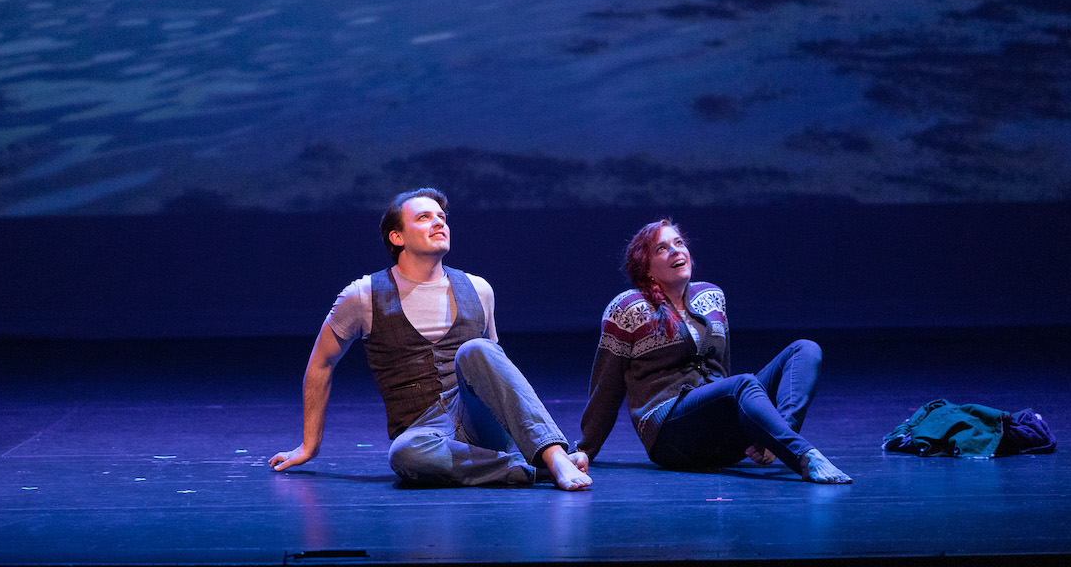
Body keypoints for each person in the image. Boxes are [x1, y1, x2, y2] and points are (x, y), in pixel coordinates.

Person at [269, 188, 592, 491]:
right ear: (397, 237)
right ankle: (532, 470)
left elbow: (497, 371)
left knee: (478, 350)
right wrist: (309, 445)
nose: (438, 222)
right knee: (404, 454)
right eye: (424, 217)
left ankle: (554, 457)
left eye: (442, 217)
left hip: (481, 424)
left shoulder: (479, 288)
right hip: (425, 433)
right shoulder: (363, 295)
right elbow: (321, 364)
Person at [576, 219, 851, 484]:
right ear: (646, 267)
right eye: (662, 248)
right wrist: (586, 449)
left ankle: (778, 440)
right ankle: (804, 456)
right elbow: (607, 385)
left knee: (805, 350)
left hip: (719, 434)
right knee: (742, 384)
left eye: (679, 243)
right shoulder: (628, 307)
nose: (676, 251)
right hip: (671, 436)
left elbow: (721, 369)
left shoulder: (711, 296)